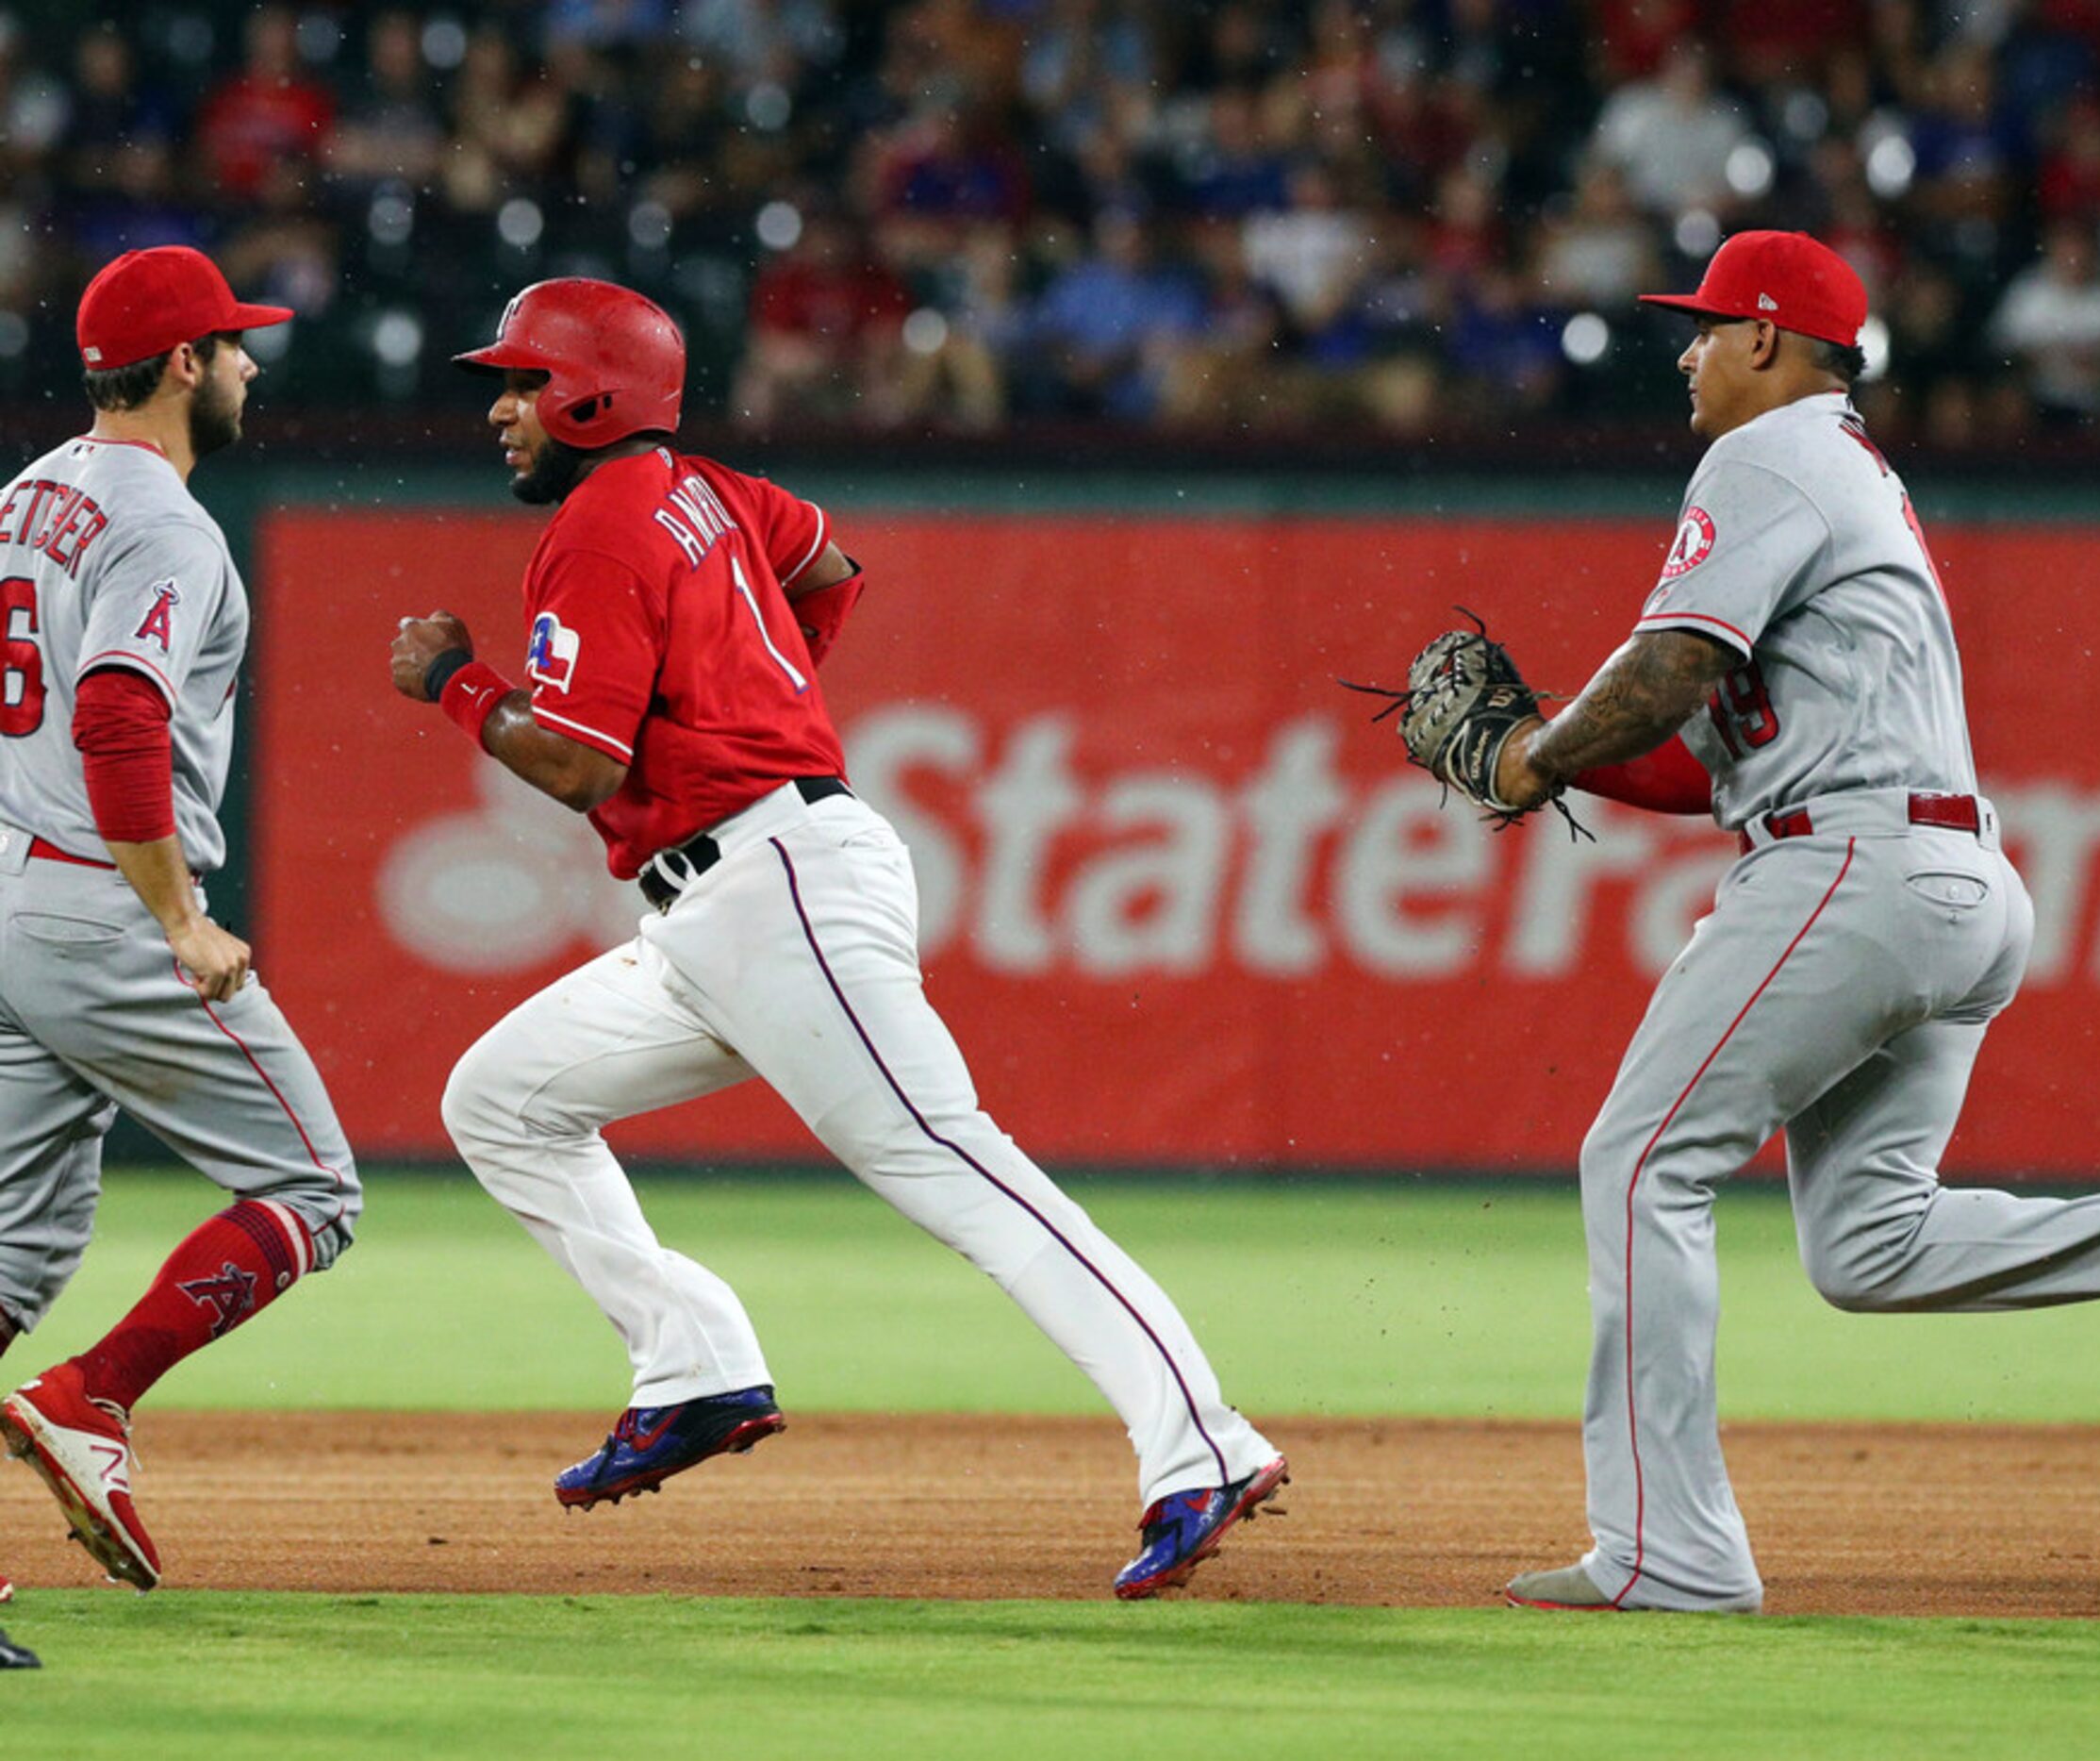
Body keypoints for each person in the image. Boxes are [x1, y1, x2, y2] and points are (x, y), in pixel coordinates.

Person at [1468, 231, 2100, 1612]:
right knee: (1866, 1246)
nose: (1686, 352)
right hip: (1947, 883)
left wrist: (1529, 758)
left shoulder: (1761, 456)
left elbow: (1672, 665)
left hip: (1853, 867)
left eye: (1704, 327)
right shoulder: (1845, 468)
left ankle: (1669, 1553)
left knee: (1638, 1161)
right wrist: (1554, 746)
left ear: (1768, 338)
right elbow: (1707, 759)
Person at [387, 278, 1286, 1600]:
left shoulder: (598, 525)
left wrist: (457, 684)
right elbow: (827, 565)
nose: (504, 411)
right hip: (720, 902)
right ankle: (693, 1365)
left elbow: (577, 764)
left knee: (955, 1170)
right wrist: (753, 686)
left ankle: (1202, 1441)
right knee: (504, 1098)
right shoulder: (711, 491)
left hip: (776, 882)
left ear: (593, 392)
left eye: (522, 383)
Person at [0, 246, 362, 1592]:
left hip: (9, 890)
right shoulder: (165, 522)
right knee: (315, 1188)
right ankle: (93, 1395)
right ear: (182, 364)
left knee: (13, 1247)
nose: (252, 363)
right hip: (100, 904)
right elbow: (115, 709)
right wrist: (180, 917)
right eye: (232, 343)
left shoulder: (28, 489)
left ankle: (83, 1397)